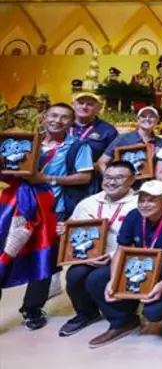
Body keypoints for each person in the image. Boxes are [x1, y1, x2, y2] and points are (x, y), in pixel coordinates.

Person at [0, 103, 92, 331]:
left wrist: (48, 179)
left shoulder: (78, 146)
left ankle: (32, 308)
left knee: (42, 259)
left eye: (64, 117)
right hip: (13, 205)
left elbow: (84, 177)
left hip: (52, 208)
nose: (57, 121)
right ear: (44, 117)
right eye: (53, 115)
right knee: (3, 253)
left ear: (71, 122)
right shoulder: (26, 141)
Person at [86, 180, 162, 347]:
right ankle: (123, 321)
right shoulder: (133, 216)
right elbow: (121, 249)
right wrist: (114, 280)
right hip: (138, 270)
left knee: (153, 312)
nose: (144, 204)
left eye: (151, 200)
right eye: (141, 200)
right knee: (96, 279)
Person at [59, 161, 139, 337]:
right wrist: (63, 230)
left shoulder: (138, 205)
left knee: (96, 279)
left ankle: (123, 319)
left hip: (124, 258)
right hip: (90, 257)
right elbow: (72, 228)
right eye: (108, 177)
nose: (111, 182)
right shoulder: (88, 203)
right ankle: (86, 313)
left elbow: (143, 241)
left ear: (132, 180)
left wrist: (111, 256)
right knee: (74, 275)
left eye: (119, 178)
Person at [98, 106, 162, 184]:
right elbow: (102, 162)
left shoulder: (161, 143)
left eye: (152, 117)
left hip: (149, 186)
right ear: (138, 120)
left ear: (157, 120)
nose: (147, 119)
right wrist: (109, 180)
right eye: (143, 116)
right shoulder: (123, 138)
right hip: (124, 186)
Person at [71, 92, 118, 164]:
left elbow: (115, 157)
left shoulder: (108, 130)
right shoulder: (63, 126)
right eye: (81, 103)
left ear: (99, 108)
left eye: (90, 104)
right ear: (73, 106)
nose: (84, 107)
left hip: (92, 169)